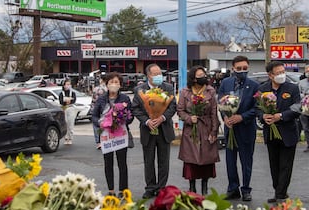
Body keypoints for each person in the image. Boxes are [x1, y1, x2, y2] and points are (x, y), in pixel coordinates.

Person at [256, 61, 301, 203]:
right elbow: (257, 108)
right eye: (278, 73)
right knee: (274, 165)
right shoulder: (262, 89)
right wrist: (263, 116)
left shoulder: (292, 88)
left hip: (288, 132)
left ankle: (281, 193)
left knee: (285, 165)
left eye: (283, 71)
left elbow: (297, 108)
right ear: (270, 75)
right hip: (271, 132)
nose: (282, 75)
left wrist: (281, 116)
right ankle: (278, 190)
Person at [217, 55, 259, 201]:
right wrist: (225, 117)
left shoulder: (254, 85)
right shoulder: (226, 83)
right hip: (230, 128)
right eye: (239, 68)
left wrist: (242, 117)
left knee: (246, 160)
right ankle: (233, 188)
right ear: (233, 69)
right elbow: (220, 101)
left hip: (246, 128)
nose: (242, 71)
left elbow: (257, 107)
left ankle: (246, 189)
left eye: (245, 68)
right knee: (230, 160)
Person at [131, 64, 177, 199]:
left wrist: (162, 118)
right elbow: (136, 108)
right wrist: (147, 121)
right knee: (149, 161)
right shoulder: (139, 90)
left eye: (159, 74)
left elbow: (172, 106)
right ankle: (150, 187)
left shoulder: (167, 87)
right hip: (148, 129)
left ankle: (162, 188)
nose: (158, 77)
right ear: (148, 76)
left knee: (164, 161)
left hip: (164, 129)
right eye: (155, 74)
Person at [177, 66, 220, 195]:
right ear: (194, 78)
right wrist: (189, 118)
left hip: (206, 127)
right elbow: (180, 111)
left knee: (207, 158)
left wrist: (214, 131)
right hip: (191, 130)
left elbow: (213, 112)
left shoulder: (210, 91)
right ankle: (192, 187)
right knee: (191, 159)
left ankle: (205, 187)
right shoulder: (185, 92)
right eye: (200, 75)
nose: (204, 77)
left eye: (204, 74)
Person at [91, 72, 133, 196]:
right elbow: (94, 115)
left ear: (120, 85)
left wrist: (123, 119)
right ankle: (111, 190)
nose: (114, 85)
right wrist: (101, 123)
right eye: (111, 82)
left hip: (120, 135)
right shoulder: (101, 99)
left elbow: (131, 115)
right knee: (108, 163)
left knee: (122, 163)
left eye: (116, 82)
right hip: (106, 135)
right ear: (107, 84)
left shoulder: (125, 99)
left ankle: (123, 190)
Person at [58, 78, 78, 145]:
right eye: (67, 84)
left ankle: (70, 138)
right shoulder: (61, 93)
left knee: (71, 124)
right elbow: (61, 101)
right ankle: (66, 137)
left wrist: (68, 101)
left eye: (69, 84)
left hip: (71, 108)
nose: (68, 86)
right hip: (64, 109)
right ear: (64, 85)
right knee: (65, 123)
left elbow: (73, 100)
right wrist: (67, 101)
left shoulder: (73, 93)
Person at [91, 77, 107, 149]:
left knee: (97, 125)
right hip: (105, 109)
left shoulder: (96, 89)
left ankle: (98, 142)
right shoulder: (107, 89)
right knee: (104, 125)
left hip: (96, 109)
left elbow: (93, 99)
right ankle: (103, 139)